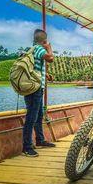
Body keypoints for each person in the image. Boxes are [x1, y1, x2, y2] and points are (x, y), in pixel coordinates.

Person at [22, 29, 56, 157]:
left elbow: (34, 68)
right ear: (44, 41)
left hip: (34, 87)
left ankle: (40, 140)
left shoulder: (32, 49)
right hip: (35, 89)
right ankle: (26, 147)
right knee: (32, 117)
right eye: (46, 42)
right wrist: (49, 48)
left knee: (39, 115)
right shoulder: (40, 49)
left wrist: (45, 75)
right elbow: (50, 58)